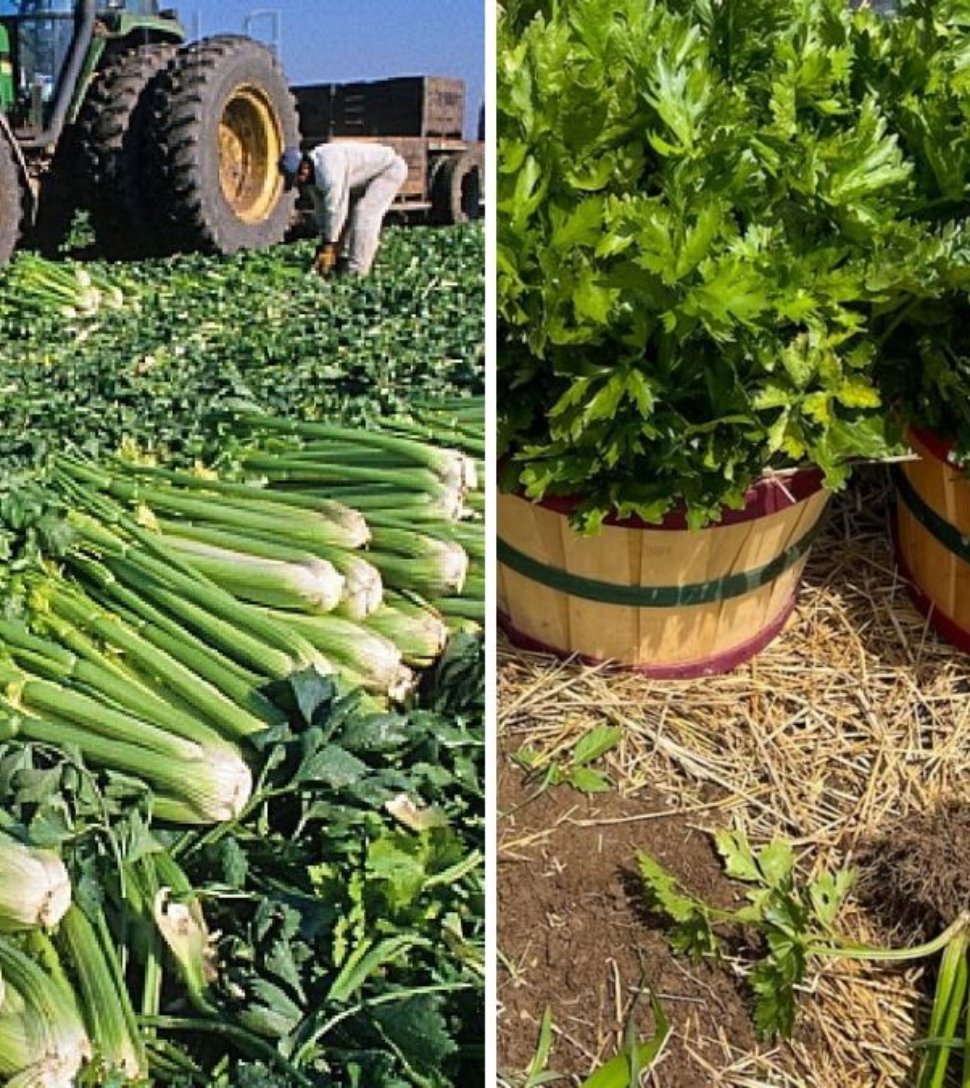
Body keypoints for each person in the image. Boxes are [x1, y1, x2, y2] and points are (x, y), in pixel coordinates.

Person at [279, 142, 408, 278]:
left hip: (388, 170)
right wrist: (325, 242)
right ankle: (342, 259)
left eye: (297, 179)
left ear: (304, 168)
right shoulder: (310, 176)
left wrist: (330, 244)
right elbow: (322, 210)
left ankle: (357, 272)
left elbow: (335, 210)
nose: (298, 184)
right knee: (343, 220)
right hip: (362, 177)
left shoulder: (328, 171)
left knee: (364, 213)